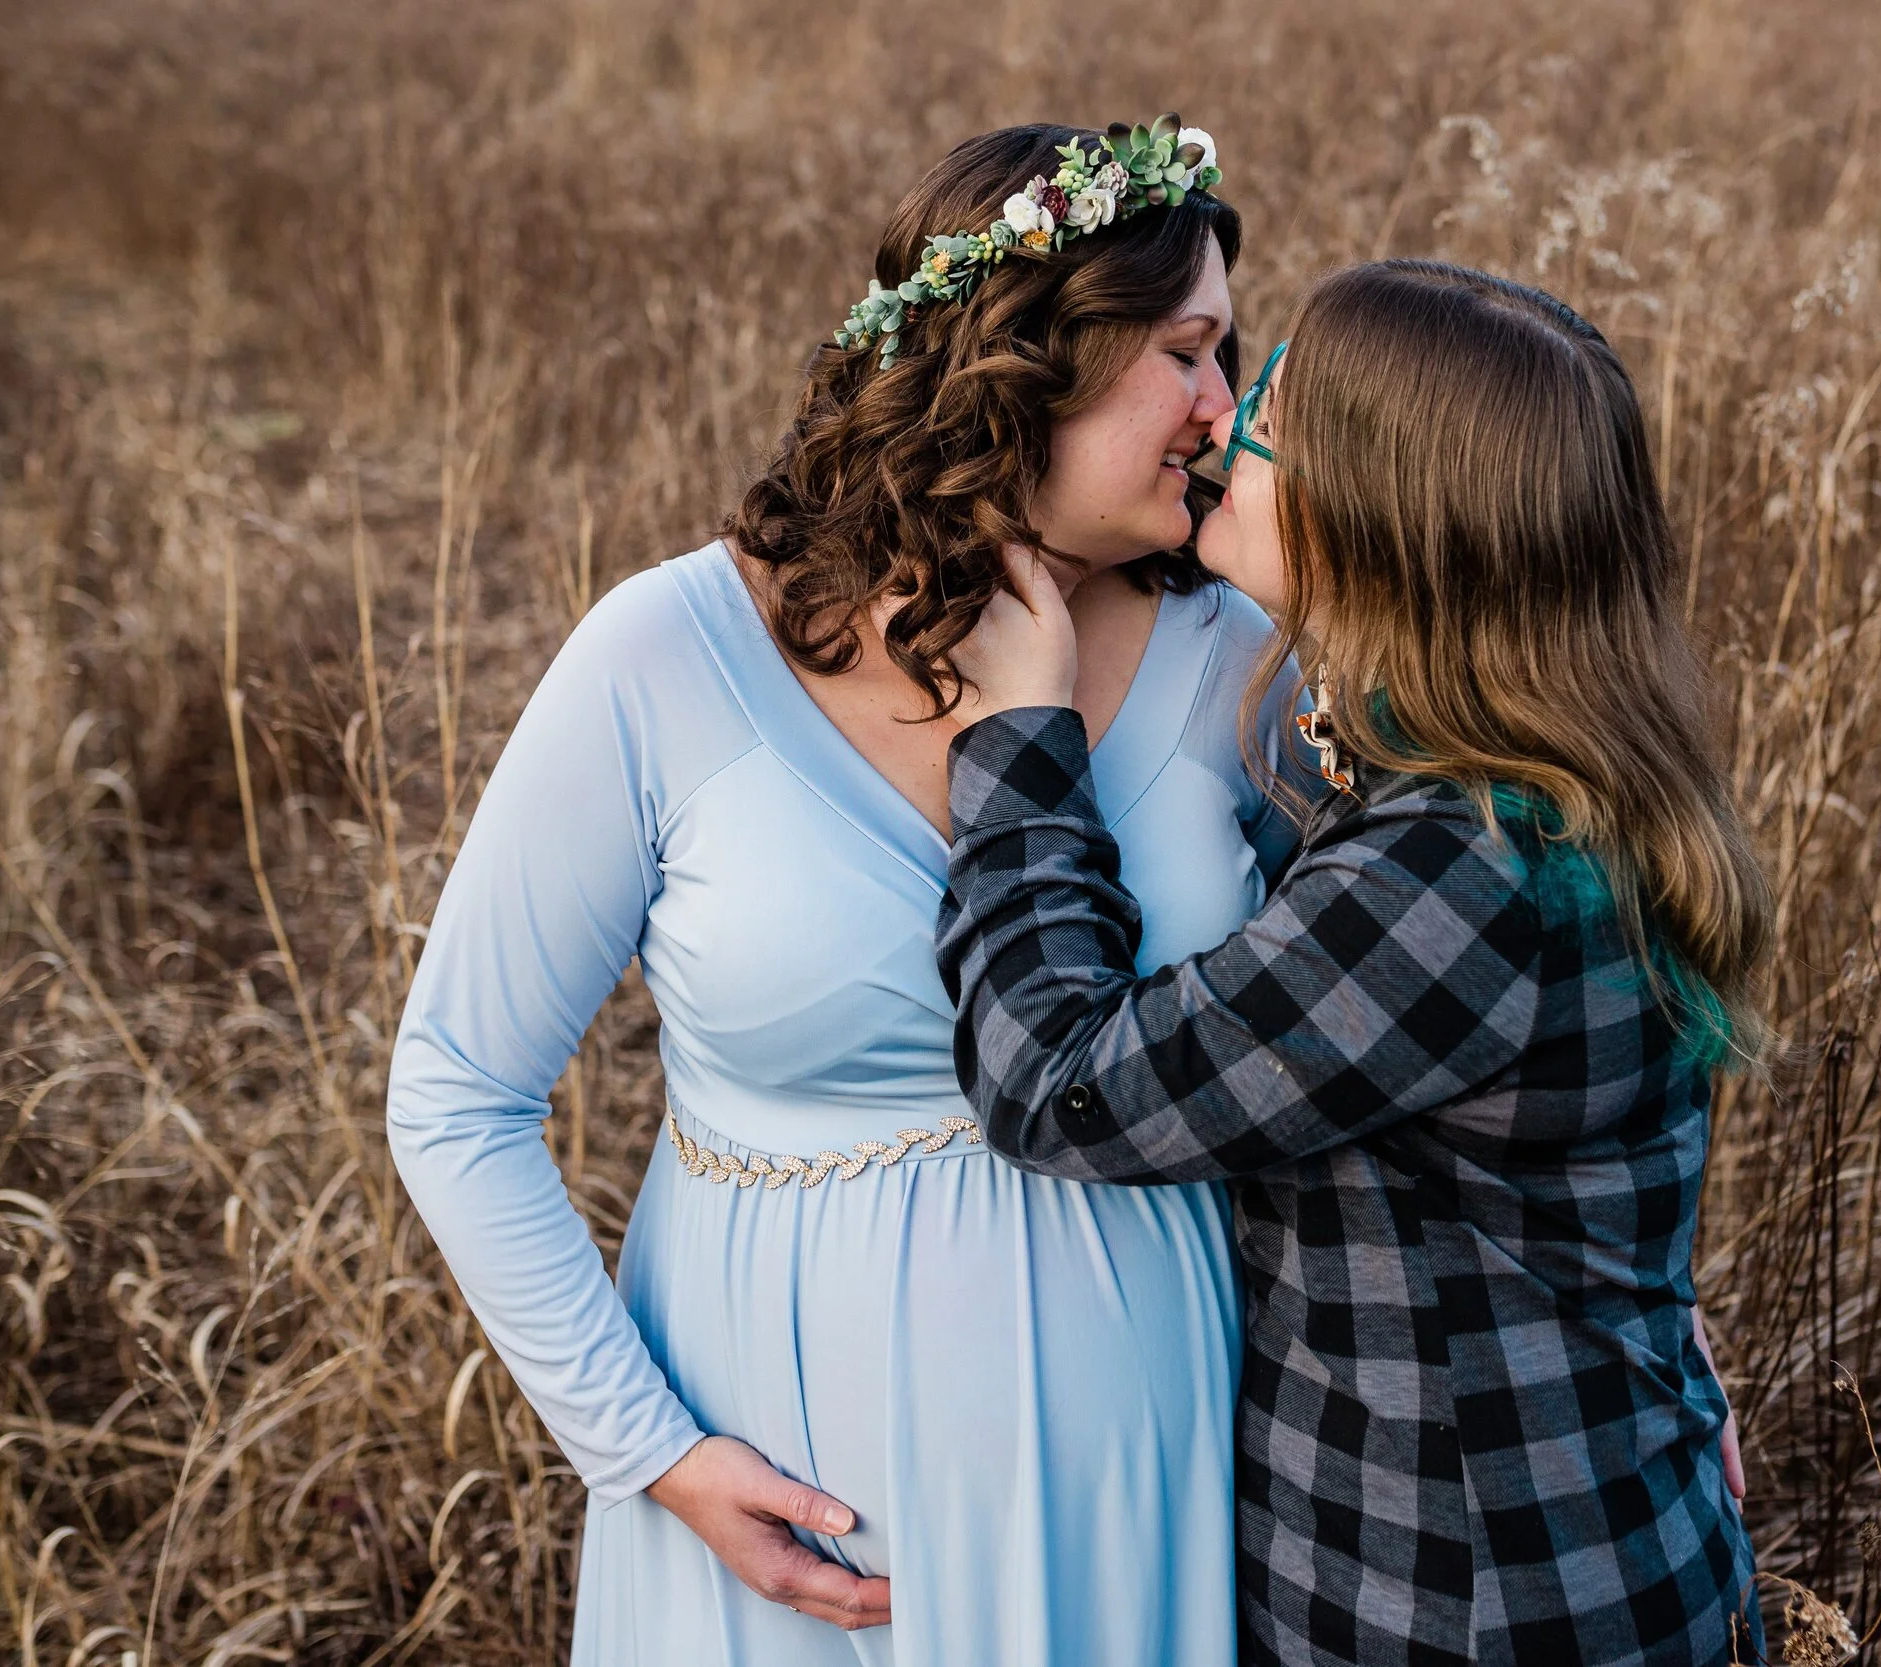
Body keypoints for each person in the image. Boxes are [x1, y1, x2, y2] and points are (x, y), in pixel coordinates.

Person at [387, 116, 1294, 1664]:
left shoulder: (1245, 655)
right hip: (783, 1487)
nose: (1231, 410)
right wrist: (649, 1450)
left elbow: (1417, 1013)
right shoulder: (670, 653)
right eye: (1189, 354)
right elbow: (455, 1090)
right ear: (1027, 365)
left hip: (1144, 1465)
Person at [938, 259, 1772, 1665]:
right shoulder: (1537, 770)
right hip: (1592, 1527)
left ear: (1378, 515)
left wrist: (1020, 739)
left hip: (1472, 1597)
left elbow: (1054, 1083)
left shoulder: (1460, 872)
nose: (1216, 428)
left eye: (1261, 411)